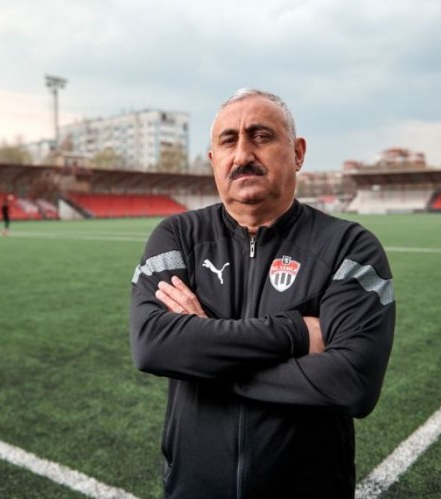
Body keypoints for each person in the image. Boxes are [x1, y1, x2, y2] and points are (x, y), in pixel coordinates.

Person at [130, 89, 395, 498]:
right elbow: (153, 346)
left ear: (298, 152)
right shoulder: (178, 237)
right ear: (213, 160)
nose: (243, 154)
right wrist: (297, 333)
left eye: (261, 136)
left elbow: (352, 382)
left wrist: (204, 352)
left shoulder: (348, 246)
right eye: (228, 141)